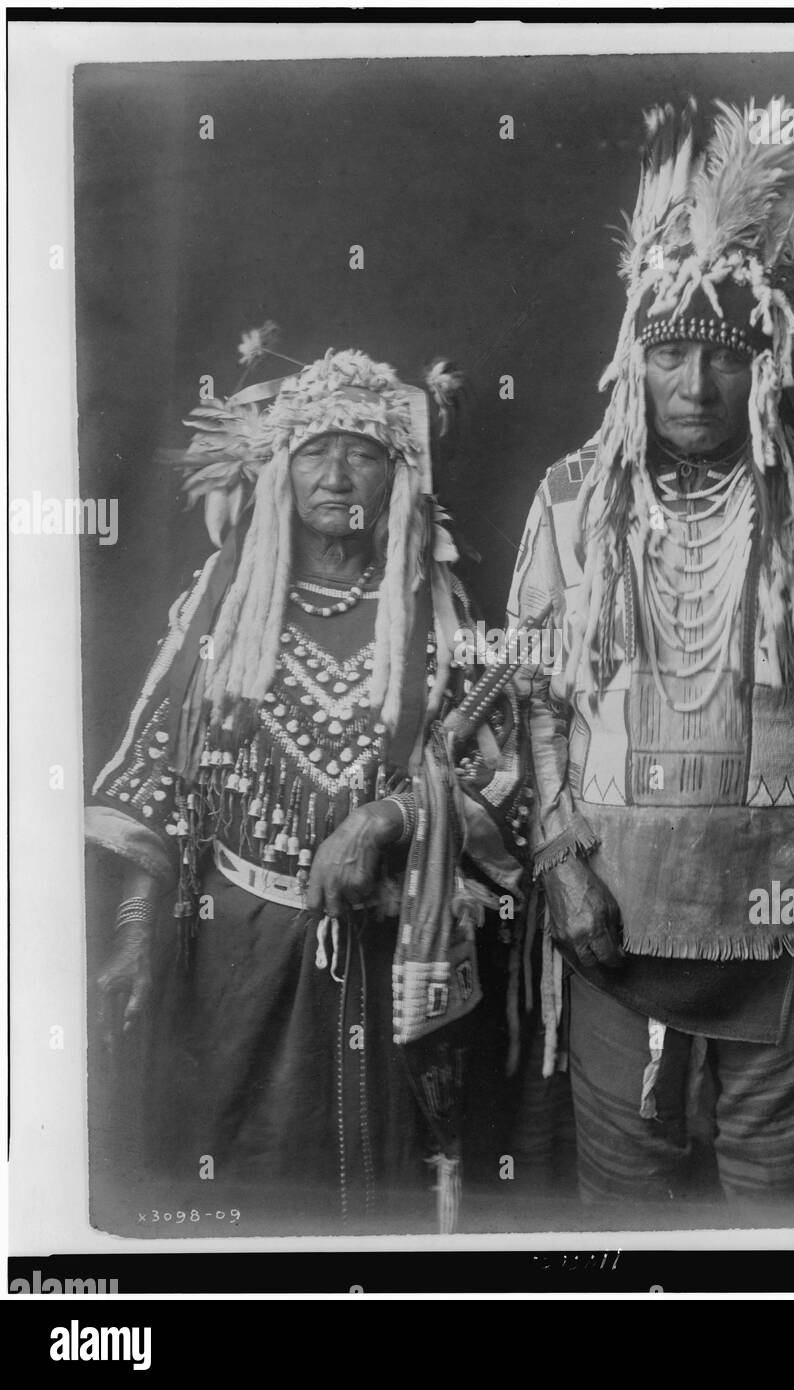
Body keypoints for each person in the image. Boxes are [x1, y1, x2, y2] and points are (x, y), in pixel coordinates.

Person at [508, 92, 794, 1220]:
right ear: (631, 361)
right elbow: (536, 700)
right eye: (671, 354)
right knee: (622, 1194)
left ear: (765, 371)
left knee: (762, 1198)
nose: (695, 386)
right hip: (613, 911)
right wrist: (558, 862)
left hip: (787, 918)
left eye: (724, 359)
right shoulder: (571, 501)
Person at [86, 332, 529, 1233]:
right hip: (234, 951)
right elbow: (151, 775)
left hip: (381, 951)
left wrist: (387, 817)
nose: (337, 476)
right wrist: (136, 932)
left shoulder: (435, 611)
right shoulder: (225, 597)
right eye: (315, 453)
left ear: (395, 479)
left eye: (362, 455)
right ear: (278, 473)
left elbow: (497, 783)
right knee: (234, 1171)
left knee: (374, 1191)